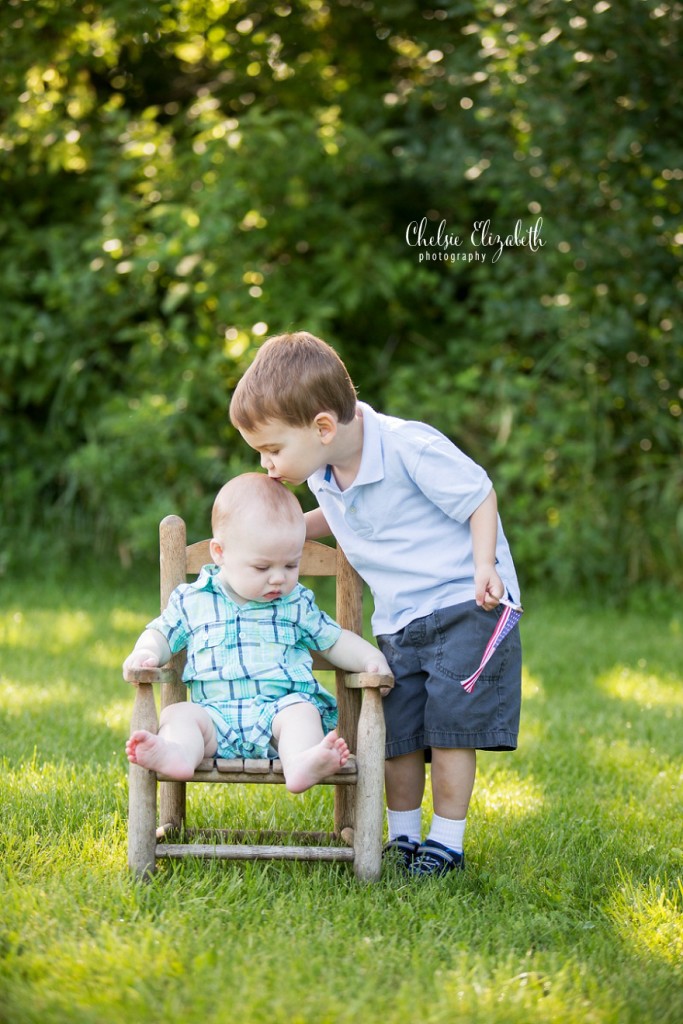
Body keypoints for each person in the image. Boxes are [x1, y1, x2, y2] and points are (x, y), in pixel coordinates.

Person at [229, 332, 523, 878]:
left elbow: (479, 494)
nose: (268, 466)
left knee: (452, 727)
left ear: (321, 427)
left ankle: (447, 843)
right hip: (401, 616)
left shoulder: (408, 446)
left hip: (466, 600)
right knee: (399, 731)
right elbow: (327, 523)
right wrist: (267, 531)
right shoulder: (322, 469)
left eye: (272, 450)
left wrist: (486, 566)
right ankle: (404, 838)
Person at [124, 472, 391, 794]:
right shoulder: (192, 600)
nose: (278, 579)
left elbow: (334, 640)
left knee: (302, 713)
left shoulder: (296, 603)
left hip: (278, 714)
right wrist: (146, 652)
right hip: (213, 718)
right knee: (178, 714)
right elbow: (161, 633)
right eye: (263, 568)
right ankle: (177, 754)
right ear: (220, 553)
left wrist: (370, 657)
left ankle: (302, 763)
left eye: (291, 566)